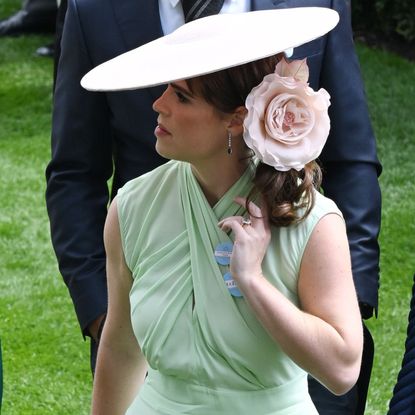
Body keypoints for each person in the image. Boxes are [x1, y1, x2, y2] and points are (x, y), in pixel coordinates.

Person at [45, 0, 381, 413]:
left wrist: (253, 281)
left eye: (181, 96)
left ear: (236, 118)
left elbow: (343, 370)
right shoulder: (132, 206)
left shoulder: (312, 220)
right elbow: (120, 349)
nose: (158, 103)